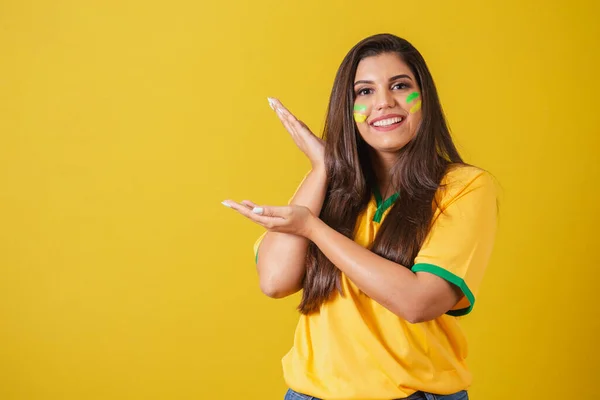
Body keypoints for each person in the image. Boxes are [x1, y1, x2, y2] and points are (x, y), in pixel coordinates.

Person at [222, 33, 497, 400]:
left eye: (400, 86)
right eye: (364, 92)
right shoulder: (332, 191)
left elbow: (419, 302)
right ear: (347, 107)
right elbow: (274, 281)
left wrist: (313, 229)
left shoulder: (463, 187)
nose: (383, 102)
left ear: (424, 99)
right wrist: (322, 167)